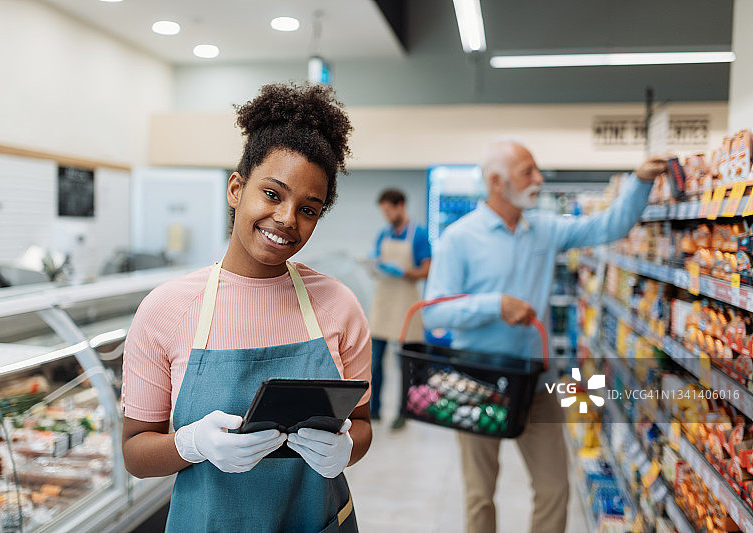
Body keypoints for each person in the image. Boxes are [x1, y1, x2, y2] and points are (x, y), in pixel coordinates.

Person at [121, 82, 371, 533]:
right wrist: (192, 443)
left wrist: (346, 448)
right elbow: (136, 453)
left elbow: (362, 424)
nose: (287, 220)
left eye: (309, 209)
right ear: (237, 188)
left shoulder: (339, 306)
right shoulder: (166, 310)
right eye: (272, 194)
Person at [423, 138, 668, 533]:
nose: (539, 179)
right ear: (497, 183)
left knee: (555, 489)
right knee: (479, 496)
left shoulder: (545, 229)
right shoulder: (459, 239)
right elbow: (435, 311)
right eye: (528, 172)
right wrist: (494, 306)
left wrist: (639, 182)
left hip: (538, 385)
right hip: (476, 384)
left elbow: (608, 225)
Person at [369, 188, 432, 429]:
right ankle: (374, 410)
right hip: (384, 305)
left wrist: (404, 272)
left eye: (388, 210)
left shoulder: (418, 234)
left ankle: (403, 412)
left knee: (404, 364)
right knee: (375, 364)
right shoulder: (383, 233)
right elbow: (377, 261)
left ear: (400, 206)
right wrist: (373, 265)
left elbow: (427, 270)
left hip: (406, 306)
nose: (385, 215)